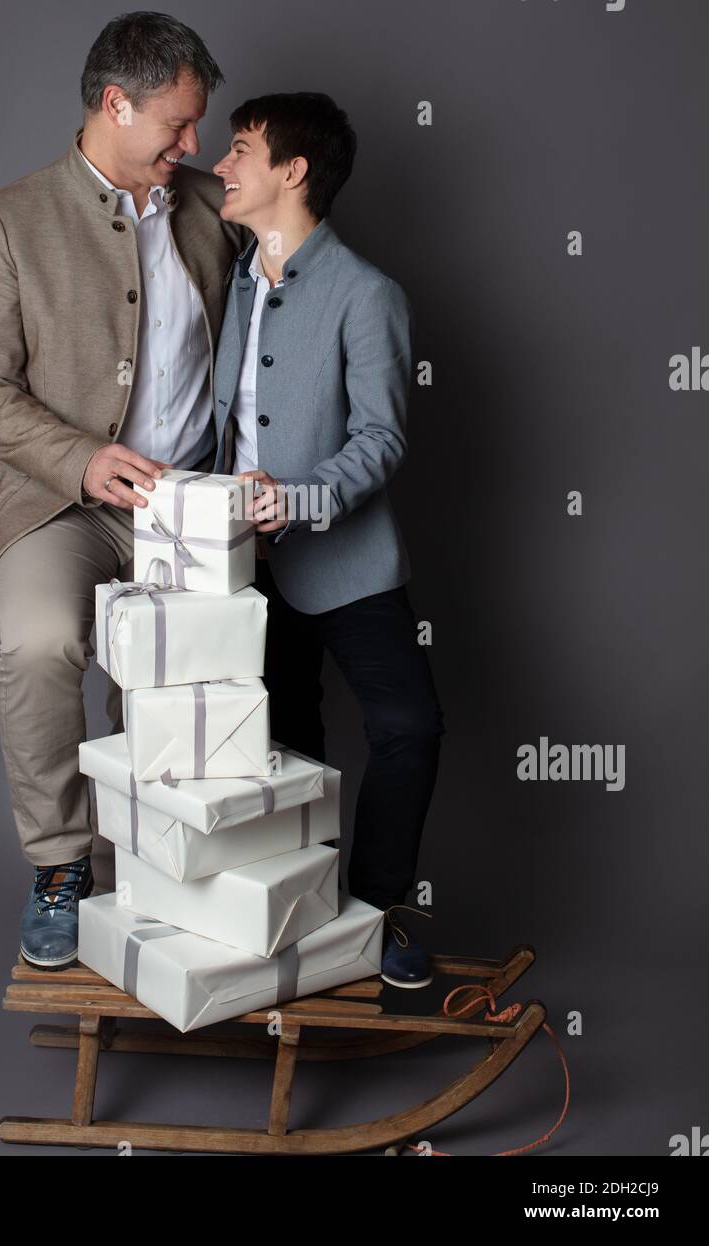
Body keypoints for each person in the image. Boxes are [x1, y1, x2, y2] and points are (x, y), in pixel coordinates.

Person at [0, 11, 249, 967]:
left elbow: (285, 315)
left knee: (191, 681)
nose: (195, 145)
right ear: (115, 105)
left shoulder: (213, 209)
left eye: (201, 128)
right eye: (178, 124)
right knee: (42, 642)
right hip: (60, 505)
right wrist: (81, 458)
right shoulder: (4, 221)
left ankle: (162, 869)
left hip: (190, 509)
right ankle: (61, 866)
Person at [211, 92, 446, 987]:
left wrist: (304, 500)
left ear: (292, 171)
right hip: (242, 571)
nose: (221, 167)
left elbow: (382, 438)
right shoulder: (236, 278)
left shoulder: (367, 292)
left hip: (346, 563)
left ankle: (384, 910)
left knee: (408, 728)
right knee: (284, 750)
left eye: (239, 150)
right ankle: (301, 926)